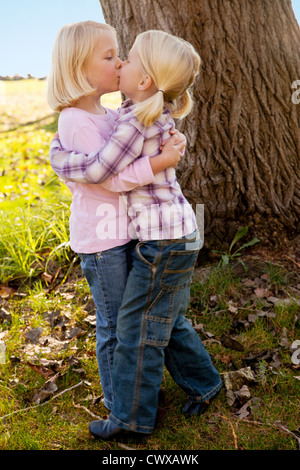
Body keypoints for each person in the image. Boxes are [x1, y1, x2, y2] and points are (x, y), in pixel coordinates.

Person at [49, 29, 222, 440]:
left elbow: (106, 171)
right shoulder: (85, 119)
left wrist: (61, 157)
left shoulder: (124, 115)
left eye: (122, 57)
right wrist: (59, 154)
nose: (120, 63)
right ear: (80, 69)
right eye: (111, 57)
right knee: (135, 322)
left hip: (146, 237)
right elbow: (105, 179)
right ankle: (129, 400)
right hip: (114, 239)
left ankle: (130, 411)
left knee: (139, 324)